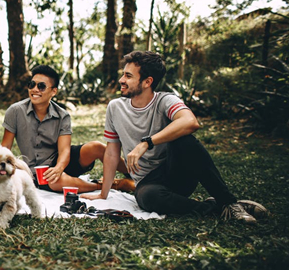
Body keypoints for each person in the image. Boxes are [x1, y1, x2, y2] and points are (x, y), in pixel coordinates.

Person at [81, 50, 267, 224]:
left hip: (177, 173)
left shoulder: (165, 100)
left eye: (128, 76)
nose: (121, 80)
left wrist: (147, 143)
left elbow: (190, 122)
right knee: (147, 198)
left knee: (184, 139)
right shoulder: (115, 107)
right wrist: (103, 194)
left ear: (147, 82)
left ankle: (229, 202)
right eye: (123, 74)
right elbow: (112, 153)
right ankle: (217, 207)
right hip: (148, 183)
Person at [1, 64, 132, 193]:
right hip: (37, 172)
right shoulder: (15, 111)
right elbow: (5, 147)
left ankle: (134, 173)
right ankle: (110, 185)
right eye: (32, 85)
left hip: (61, 161)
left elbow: (64, 151)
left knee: (96, 147)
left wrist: (58, 168)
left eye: (41, 86)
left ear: (53, 91)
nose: (35, 89)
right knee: (55, 181)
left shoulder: (62, 115)